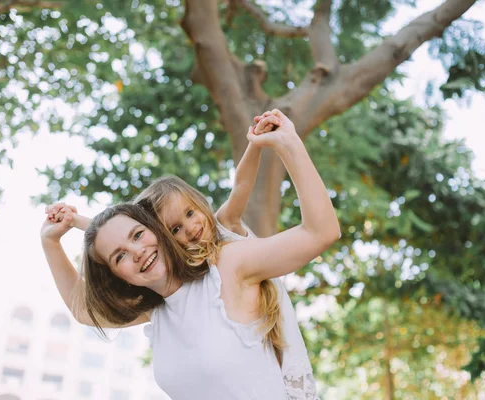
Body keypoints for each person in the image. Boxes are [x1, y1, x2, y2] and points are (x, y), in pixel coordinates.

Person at [41, 110, 340, 399]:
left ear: (154, 231)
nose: (136, 252)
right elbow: (83, 309)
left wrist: (287, 143)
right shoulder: (156, 312)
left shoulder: (227, 266)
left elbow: (321, 232)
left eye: (138, 235)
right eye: (119, 257)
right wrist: (52, 242)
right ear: (117, 275)